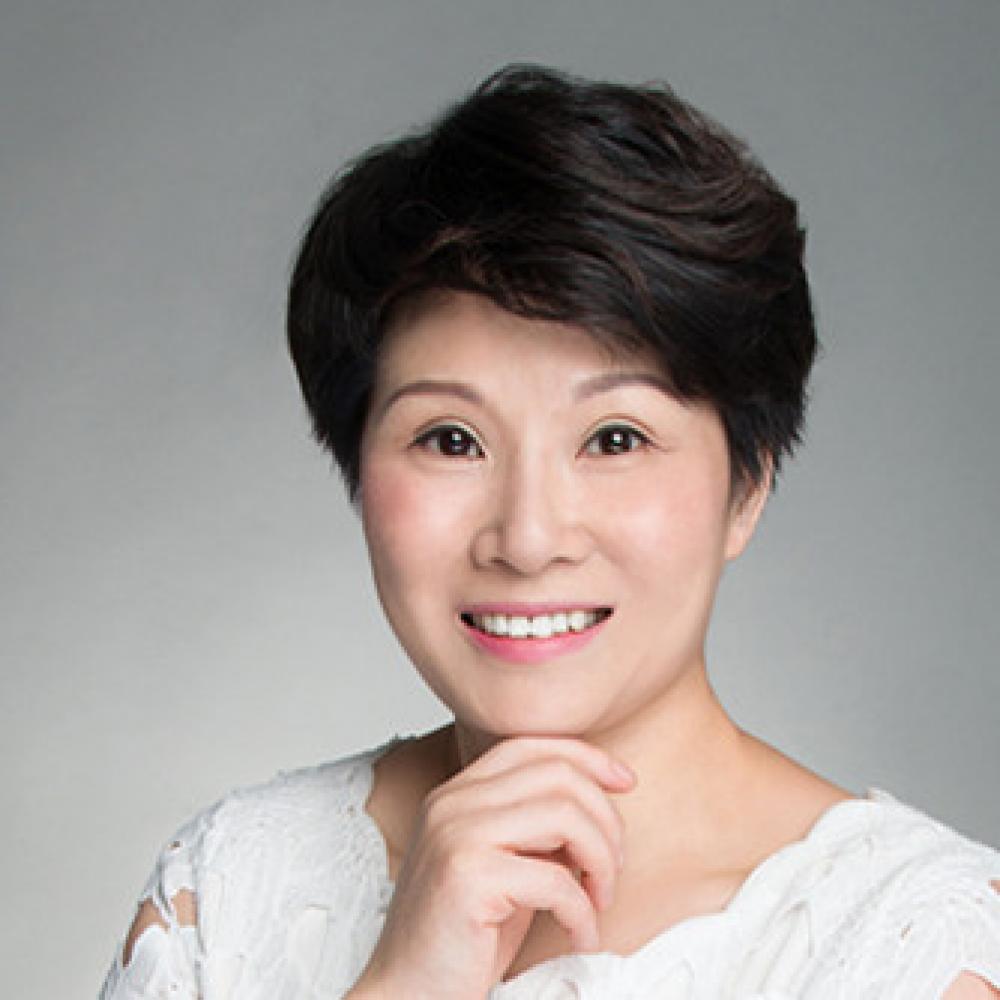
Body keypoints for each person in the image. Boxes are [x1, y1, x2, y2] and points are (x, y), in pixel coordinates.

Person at [99, 65, 1000, 1000]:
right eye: (452, 440)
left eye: (615, 439)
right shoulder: (231, 891)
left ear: (748, 486)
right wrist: (404, 982)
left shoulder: (914, 946)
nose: (528, 540)